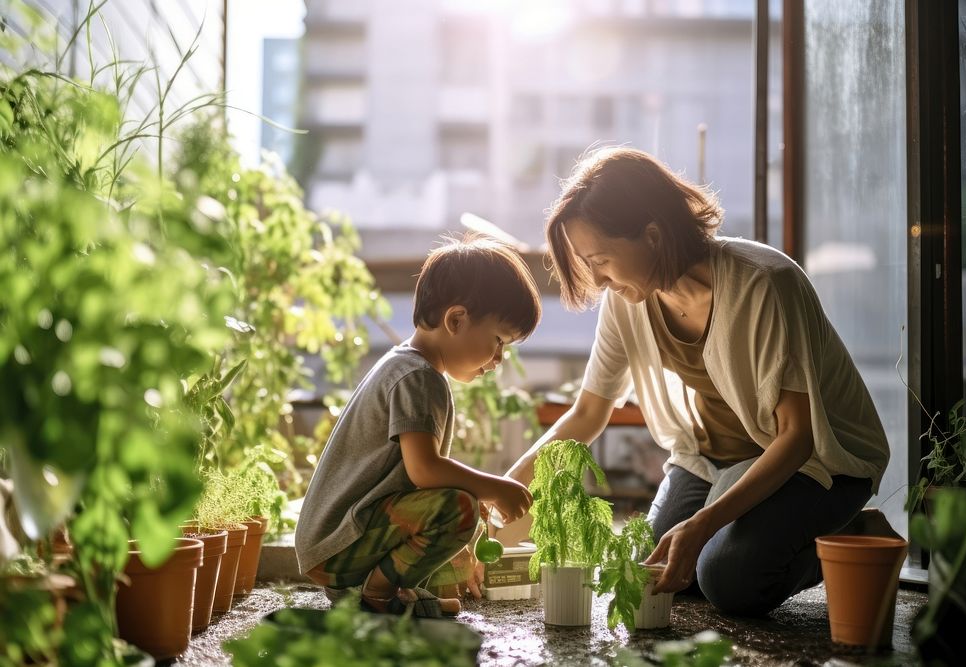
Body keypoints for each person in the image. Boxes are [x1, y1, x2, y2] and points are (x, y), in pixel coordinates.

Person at [505, 146, 891, 616]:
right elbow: (588, 413)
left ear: (651, 234)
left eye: (601, 259)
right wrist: (505, 487)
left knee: (729, 580)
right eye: (588, 265)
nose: (598, 280)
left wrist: (704, 523)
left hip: (815, 465)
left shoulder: (763, 284)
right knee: (661, 573)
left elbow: (796, 437)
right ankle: (746, 531)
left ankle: (856, 538)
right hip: (708, 461)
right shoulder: (628, 302)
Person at [296, 233, 539, 618]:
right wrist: (495, 488)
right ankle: (378, 595)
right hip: (339, 543)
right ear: (456, 319)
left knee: (462, 526)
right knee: (459, 508)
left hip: (339, 539)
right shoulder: (417, 377)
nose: (498, 359)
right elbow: (425, 471)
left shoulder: (408, 367)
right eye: (498, 341)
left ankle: (374, 594)